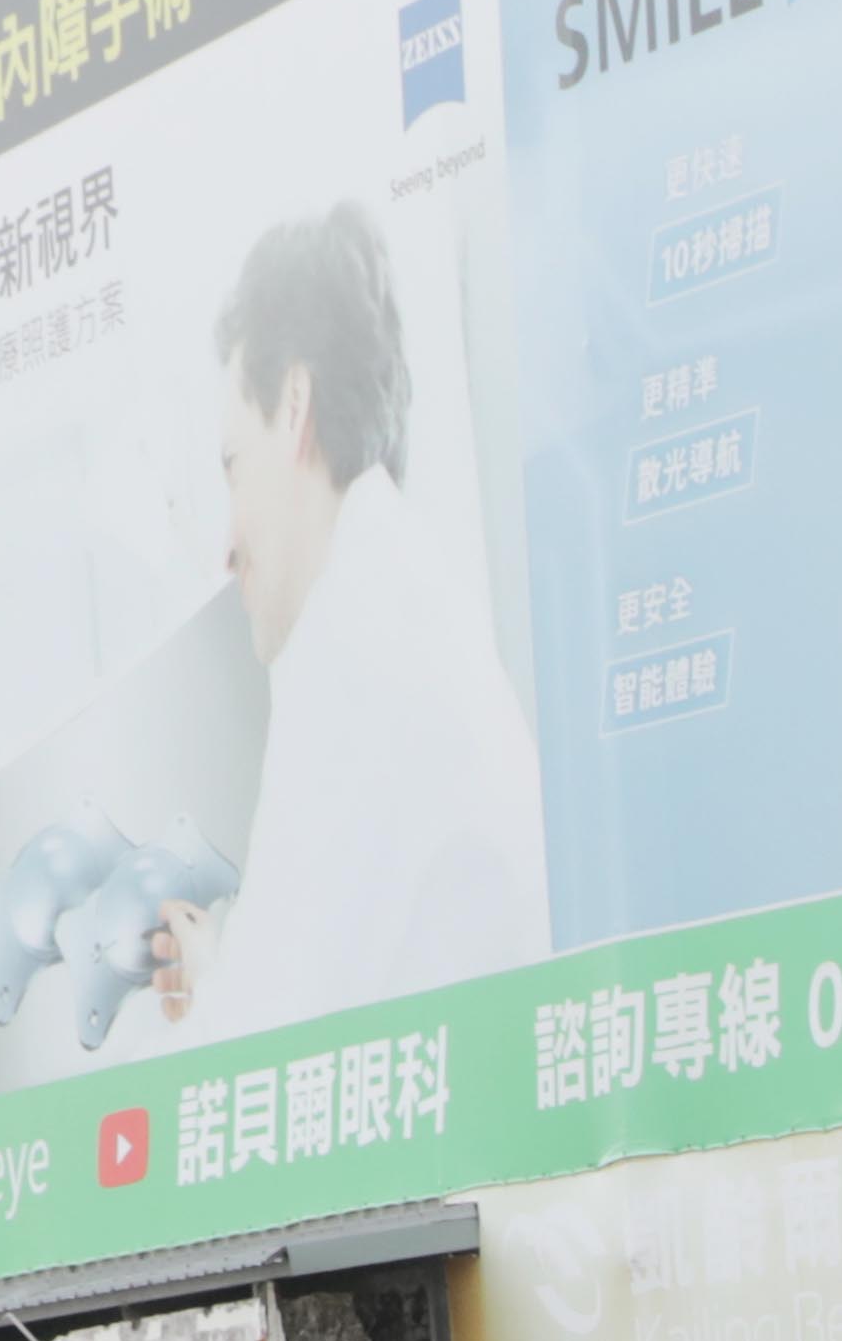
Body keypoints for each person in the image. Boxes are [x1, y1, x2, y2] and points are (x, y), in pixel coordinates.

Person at [136, 202, 546, 1034]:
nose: (226, 545)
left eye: (232, 467)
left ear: (294, 406)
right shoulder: (401, 594)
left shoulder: (353, 651)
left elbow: (260, 1065)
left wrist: (198, 1010)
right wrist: (221, 977)